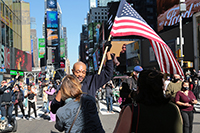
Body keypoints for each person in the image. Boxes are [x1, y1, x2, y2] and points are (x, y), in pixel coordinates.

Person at [51, 41, 113, 114]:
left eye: (83, 72)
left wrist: (107, 52)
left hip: (89, 121)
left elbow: (108, 73)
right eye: (78, 72)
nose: (80, 75)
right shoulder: (66, 85)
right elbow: (54, 109)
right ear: (72, 71)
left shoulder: (91, 81)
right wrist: (61, 90)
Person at [113, 70, 183, 133]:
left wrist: (120, 120)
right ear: (162, 87)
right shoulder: (173, 108)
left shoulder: (132, 110)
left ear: (139, 88)